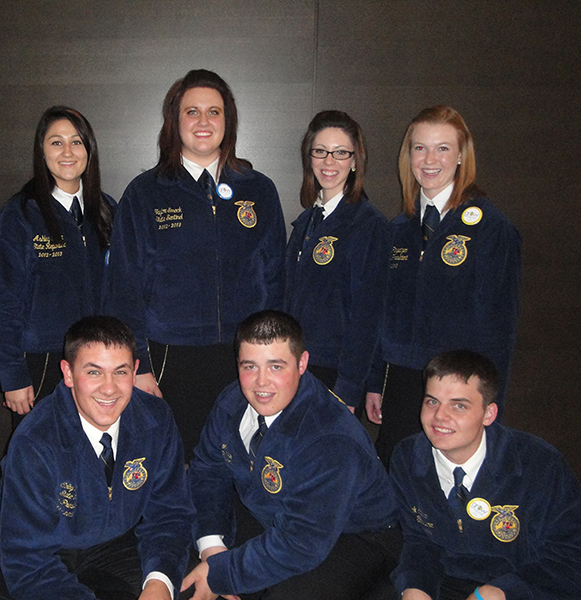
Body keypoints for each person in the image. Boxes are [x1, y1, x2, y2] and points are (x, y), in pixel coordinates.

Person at [105, 69, 287, 459]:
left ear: (228, 121)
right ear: (175, 121)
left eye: (214, 112)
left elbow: (276, 282)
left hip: (246, 358)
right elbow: (124, 289)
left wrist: (274, 361)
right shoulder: (145, 194)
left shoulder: (258, 189)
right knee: (176, 464)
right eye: (192, 112)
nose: (203, 122)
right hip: (172, 357)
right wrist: (138, 366)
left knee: (243, 462)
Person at [182, 310, 401, 600]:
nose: (261, 383)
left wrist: (223, 573)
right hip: (271, 511)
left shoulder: (331, 437)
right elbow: (208, 474)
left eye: (276, 367)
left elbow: (301, 543)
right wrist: (212, 549)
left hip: (354, 533)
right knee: (182, 562)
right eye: (250, 366)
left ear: (302, 363)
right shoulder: (231, 402)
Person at [0, 316, 194, 600]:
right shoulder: (35, 440)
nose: (109, 389)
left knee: (185, 583)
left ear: (135, 371)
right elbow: (26, 559)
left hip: (116, 543)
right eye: (94, 373)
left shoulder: (156, 419)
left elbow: (170, 513)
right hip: (36, 549)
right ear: (68, 373)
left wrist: (159, 584)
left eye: (120, 372)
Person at [367, 106, 521, 467]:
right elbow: (382, 315)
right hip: (402, 384)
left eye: (442, 148)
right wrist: (376, 381)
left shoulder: (491, 229)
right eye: (419, 148)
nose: (429, 159)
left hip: (457, 389)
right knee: (399, 477)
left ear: (461, 156)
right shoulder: (399, 229)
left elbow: (500, 331)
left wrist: (487, 403)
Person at [390, 349, 581, 600]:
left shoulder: (540, 465)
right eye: (432, 401)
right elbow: (419, 541)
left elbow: (570, 555)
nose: (439, 416)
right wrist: (415, 588)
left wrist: (500, 592)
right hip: (444, 582)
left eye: (459, 405)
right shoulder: (408, 457)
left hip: (523, 585)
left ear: (488, 414)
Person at [0, 106, 115, 425]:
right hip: (42, 363)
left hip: (100, 360)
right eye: (56, 142)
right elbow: (5, 302)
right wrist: (13, 376)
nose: (67, 152)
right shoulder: (20, 215)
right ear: (41, 151)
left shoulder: (107, 210)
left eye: (76, 142)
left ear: (89, 149)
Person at [284, 110, 389, 413]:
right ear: (310, 157)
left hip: (335, 373)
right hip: (297, 367)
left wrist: (350, 387)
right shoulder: (306, 222)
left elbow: (367, 316)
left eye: (341, 153)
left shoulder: (368, 224)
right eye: (320, 151)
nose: (329, 162)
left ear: (355, 161)